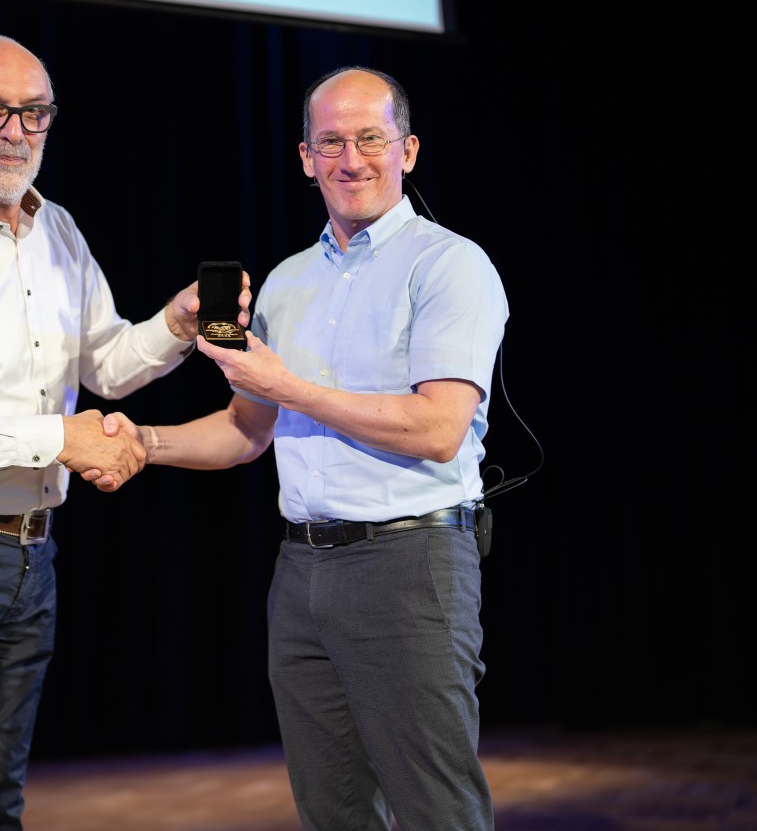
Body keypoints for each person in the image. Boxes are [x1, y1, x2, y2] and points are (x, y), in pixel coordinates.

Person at [0, 34, 249, 830]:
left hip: (27, 557)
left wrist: (176, 320)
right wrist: (57, 438)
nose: (13, 131)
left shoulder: (55, 229)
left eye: (34, 113)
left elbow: (109, 365)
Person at [100, 66, 508, 829]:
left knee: (435, 809)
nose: (351, 159)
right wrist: (141, 441)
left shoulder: (450, 264)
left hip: (409, 565)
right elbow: (247, 429)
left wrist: (288, 387)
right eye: (330, 142)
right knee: (333, 810)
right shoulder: (287, 283)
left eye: (369, 139)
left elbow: (438, 426)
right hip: (303, 574)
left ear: (408, 150)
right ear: (304, 157)